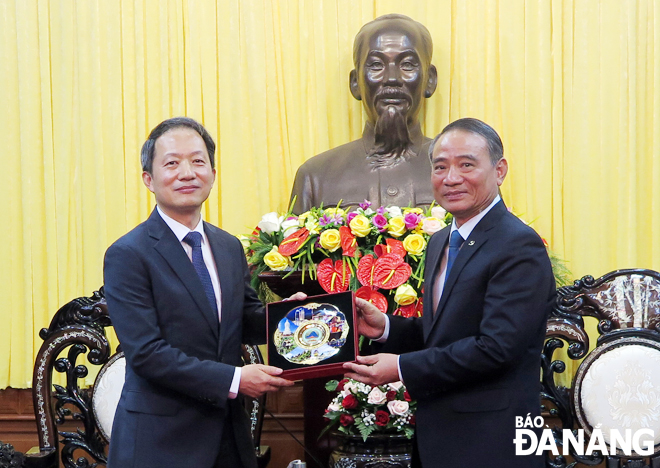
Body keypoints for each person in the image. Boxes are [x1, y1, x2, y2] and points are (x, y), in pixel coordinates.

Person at [344, 118, 556, 467]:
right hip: (439, 434)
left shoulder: (518, 245)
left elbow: (495, 348)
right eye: (440, 167)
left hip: (493, 439)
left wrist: (400, 367)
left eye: (466, 165)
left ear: (499, 170)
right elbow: (445, 334)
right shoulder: (441, 240)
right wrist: (385, 327)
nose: (451, 178)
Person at [104, 117, 298, 468]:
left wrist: (291, 315)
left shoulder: (227, 246)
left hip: (227, 436)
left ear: (212, 172)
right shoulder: (128, 254)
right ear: (148, 179)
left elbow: (243, 320)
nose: (187, 172)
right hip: (160, 442)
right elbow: (147, 354)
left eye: (197, 161)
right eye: (172, 163)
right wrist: (236, 379)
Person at [289, 14, 438, 213]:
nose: (391, 79)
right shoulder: (316, 177)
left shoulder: (465, 176)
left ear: (430, 80)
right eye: (376, 65)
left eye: (407, 65)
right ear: (355, 83)